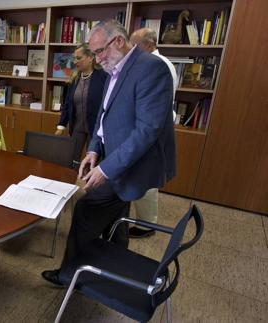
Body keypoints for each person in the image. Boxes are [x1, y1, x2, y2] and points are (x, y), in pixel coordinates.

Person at [41, 20, 176, 286]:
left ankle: (71, 276)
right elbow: (105, 116)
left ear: (118, 42)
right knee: (117, 218)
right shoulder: (114, 69)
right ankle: (113, 270)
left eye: (100, 51)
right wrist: (94, 149)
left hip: (132, 164)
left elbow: (147, 130)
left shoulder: (151, 68)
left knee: (86, 208)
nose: (97, 58)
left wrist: (105, 168)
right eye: (94, 53)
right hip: (116, 157)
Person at [128, 27, 179, 238]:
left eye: (135, 45)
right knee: (139, 175)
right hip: (147, 126)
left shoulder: (158, 65)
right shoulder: (149, 62)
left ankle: (147, 225)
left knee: (145, 177)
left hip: (151, 129)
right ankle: (143, 220)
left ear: (149, 44)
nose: (131, 49)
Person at [55, 43, 108, 161]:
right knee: (71, 159)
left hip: (95, 129)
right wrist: (61, 126)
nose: (75, 61)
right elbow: (67, 104)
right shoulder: (75, 78)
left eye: (79, 58)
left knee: (92, 162)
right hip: (77, 127)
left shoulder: (103, 76)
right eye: (74, 58)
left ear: (90, 58)